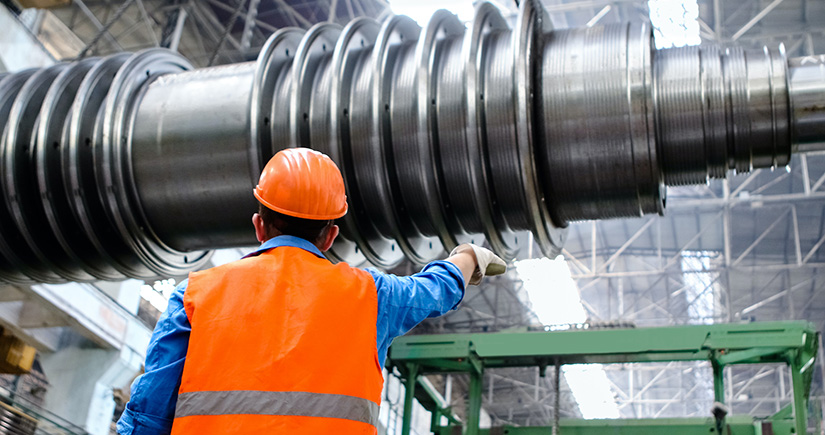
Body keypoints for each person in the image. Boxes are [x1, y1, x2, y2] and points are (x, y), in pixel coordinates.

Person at [116, 147, 506, 434]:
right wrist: (467, 257)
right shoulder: (372, 296)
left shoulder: (195, 294)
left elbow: (149, 414)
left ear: (259, 225)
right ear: (331, 235)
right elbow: (434, 290)